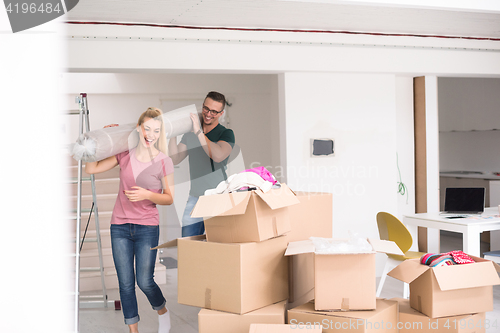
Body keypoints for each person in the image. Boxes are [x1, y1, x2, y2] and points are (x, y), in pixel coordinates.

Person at [85, 107, 174, 333]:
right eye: (146, 128)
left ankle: (162, 311)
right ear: (139, 128)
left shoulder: (164, 161)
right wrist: (101, 141)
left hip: (147, 227)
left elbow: (169, 198)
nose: (150, 134)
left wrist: (146, 194)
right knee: (125, 284)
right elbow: (91, 169)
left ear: (159, 133)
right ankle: (133, 330)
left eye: (155, 130)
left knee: (145, 281)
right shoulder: (124, 154)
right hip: (120, 227)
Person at [168, 91, 235, 236]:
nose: (208, 114)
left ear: (221, 113)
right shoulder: (190, 134)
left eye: (214, 111)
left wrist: (199, 132)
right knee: (188, 245)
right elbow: (175, 158)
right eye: (206, 108)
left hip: (218, 197)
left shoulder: (226, 133)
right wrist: (172, 133)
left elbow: (217, 156)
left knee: (218, 244)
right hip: (195, 197)